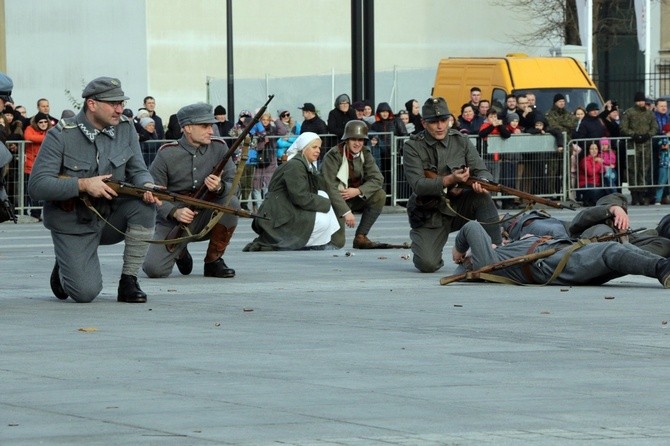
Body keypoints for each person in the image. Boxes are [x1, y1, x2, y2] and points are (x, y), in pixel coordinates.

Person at [28, 76, 159, 303]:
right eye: (113, 104)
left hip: (109, 217)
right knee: (85, 294)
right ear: (92, 104)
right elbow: (37, 186)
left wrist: (147, 185)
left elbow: (138, 169)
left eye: (122, 104)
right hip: (73, 222)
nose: (120, 110)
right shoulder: (61, 134)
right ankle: (65, 263)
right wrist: (83, 185)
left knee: (144, 206)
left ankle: (129, 280)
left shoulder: (126, 129)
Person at [403, 97, 502, 273]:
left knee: (482, 197)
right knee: (427, 265)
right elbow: (418, 184)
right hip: (430, 213)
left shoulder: (461, 141)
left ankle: (497, 251)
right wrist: (450, 180)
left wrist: (483, 183)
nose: (440, 126)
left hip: (459, 206)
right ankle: (424, 242)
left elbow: (482, 170)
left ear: (450, 119)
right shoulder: (413, 146)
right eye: (434, 122)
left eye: (443, 120)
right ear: (424, 123)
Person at [142, 102, 240, 279]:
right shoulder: (166, 153)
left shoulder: (219, 147)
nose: (211, 131)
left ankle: (213, 261)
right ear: (187, 128)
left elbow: (234, 185)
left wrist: (220, 187)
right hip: (175, 220)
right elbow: (153, 191)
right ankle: (180, 251)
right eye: (204, 126)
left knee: (231, 204)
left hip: (206, 214)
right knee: (154, 270)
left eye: (211, 126)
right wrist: (174, 212)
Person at [452, 220, 670, 288]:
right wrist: (459, 250)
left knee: (620, 252)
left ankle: (663, 266)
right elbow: (471, 226)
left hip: (560, 254)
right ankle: (662, 269)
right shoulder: (485, 263)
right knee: (611, 251)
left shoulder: (499, 254)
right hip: (551, 263)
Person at [243, 132, 340, 251]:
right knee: (323, 219)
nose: (318, 150)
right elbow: (300, 197)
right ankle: (313, 244)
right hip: (278, 216)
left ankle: (324, 241)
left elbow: (315, 190)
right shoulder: (295, 166)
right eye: (314, 147)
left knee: (323, 197)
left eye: (319, 147)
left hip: (285, 209)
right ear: (304, 148)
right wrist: (327, 203)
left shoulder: (303, 164)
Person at [320, 120, 386, 249]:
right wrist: (345, 212)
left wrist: (358, 191)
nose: (357, 143)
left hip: (353, 196)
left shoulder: (365, 154)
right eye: (353, 139)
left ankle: (361, 236)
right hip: (334, 202)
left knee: (379, 195)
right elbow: (330, 187)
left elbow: (378, 179)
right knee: (337, 243)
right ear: (346, 140)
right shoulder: (333, 156)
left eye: (360, 140)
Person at [621, 91, 659, 205]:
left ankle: (641, 193)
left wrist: (648, 135)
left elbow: (655, 127)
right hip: (632, 145)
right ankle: (634, 194)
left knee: (643, 169)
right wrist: (634, 135)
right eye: (638, 101)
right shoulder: (629, 113)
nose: (640, 103)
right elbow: (623, 128)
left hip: (645, 146)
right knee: (632, 169)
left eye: (642, 100)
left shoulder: (649, 114)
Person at [23, 112, 51, 220]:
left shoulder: (50, 130)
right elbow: (28, 137)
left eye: (45, 122)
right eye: (41, 122)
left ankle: (37, 214)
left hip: (45, 166)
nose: (43, 124)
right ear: (36, 123)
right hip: (31, 165)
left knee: (41, 192)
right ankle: (28, 214)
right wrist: (45, 139)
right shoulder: (30, 129)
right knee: (28, 191)